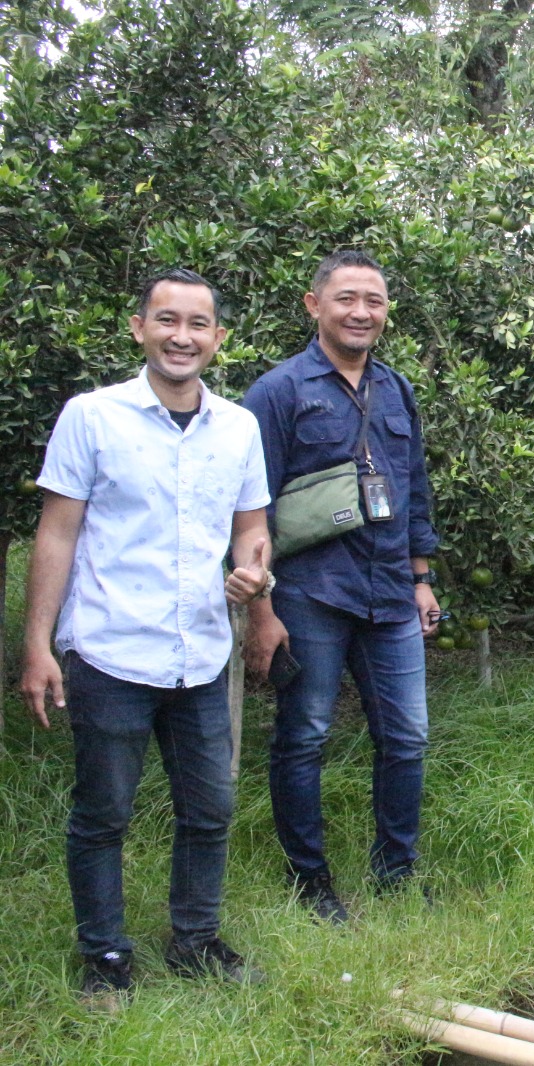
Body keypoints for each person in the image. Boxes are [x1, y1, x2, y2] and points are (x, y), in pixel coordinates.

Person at [20, 267, 273, 1007]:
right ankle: (105, 956)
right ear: (139, 328)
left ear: (218, 339)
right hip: (109, 652)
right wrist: (37, 644)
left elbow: (252, 529)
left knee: (210, 810)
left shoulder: (239, 427)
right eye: (167, 320)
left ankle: (195, 941)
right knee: (103, 814)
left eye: (198, 324)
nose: (181, 336)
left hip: (200, 655)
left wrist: (253, 576)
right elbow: (57, 534)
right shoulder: (91, 417)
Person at [242, 250, 441, 924]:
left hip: (390, 592)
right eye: (347, 299)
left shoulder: (397, 389)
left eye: (375, 301)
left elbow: (413, 488)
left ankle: (396, 872)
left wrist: (420, 578)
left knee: (407, 738)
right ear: (314, 305)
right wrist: (261, 609)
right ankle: (311, 880)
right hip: (310, 593)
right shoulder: (279, 391)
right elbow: (250, 508)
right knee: (304, 737)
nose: (361, 312)